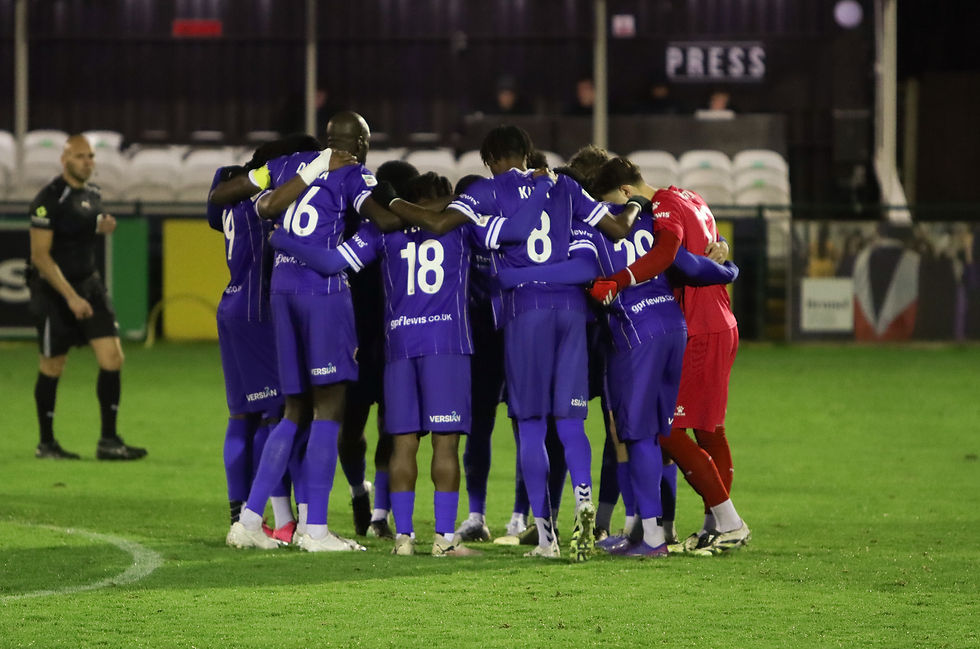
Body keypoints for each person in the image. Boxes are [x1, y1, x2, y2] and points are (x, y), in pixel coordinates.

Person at [377, 125, 641, 561]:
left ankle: (547, 539)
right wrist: (633, 205)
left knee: (532, 426)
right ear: (527, 152)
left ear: (491, 160)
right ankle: (584, 501)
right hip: (572, 313)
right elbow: (616, 230)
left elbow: (454, 225)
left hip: (524, 313)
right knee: (573, 424)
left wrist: (388, 198)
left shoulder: (485, 193)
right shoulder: (568, 189)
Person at [270, 171, 489, 557]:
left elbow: (332, 261)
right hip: (447, 345)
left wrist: (283, 240)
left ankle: (403, 539)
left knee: (402, 443)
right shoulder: (460, 226)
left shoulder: (383, 231)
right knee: (445, 444)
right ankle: (443, 540)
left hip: (400, 346)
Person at [224, 112, 401, 552]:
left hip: (281, 288)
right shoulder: (356, 175)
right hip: (322, 294)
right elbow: (383, 219)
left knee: (293, 409)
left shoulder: (290, 164)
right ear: (360, 143)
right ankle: (315, 529)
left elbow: (251, 200)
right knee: (329, 409)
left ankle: (248, 520)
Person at [589, 158, 751, 555]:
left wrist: (621, 278)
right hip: (720, 319)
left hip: (698, 324)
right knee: (710, 430)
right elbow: (710, 247)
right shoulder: (691, 196)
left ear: (626, 193)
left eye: (614, 203)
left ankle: (729, 521)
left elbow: (670, 255)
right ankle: (716, 525)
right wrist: (727, 260)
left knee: (669, 432)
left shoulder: (661, 207)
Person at [28, 134, 146, 461]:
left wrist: (100, 225)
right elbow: (40, 256)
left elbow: (79, 226)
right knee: (53, 365)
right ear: (64, 160)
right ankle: (46, 443)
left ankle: (108, 441)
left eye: (91, 156)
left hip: (90, 286)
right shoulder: (48, 199)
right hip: (54, 291)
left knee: (113, 358)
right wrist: (70, 298)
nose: (88, 162)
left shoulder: (92, 194)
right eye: (81, 157)